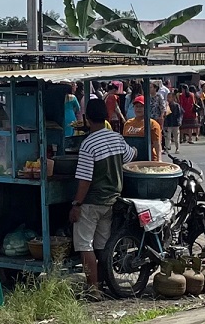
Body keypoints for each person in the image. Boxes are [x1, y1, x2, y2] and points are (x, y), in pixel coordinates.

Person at [72, 97, 136, 298]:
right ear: (107, 117)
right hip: (111, 201)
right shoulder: (116, 138)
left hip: (92, 202)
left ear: (87, 118)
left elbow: (84, 180)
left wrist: (76, 204)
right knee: (101, 245)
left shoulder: (88, 144)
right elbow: (130, 156)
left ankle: (93, 290)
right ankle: (102, 284)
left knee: (85, 245)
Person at [122, 95, 162, 162]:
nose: (138, 109)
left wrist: (159, 160)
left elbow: (157, 144)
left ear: (147, 108)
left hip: (149, 160)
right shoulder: (128, 123)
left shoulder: (152, 124)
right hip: (131, 160)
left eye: (141, 106)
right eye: (136, 106)